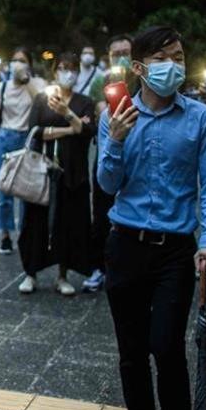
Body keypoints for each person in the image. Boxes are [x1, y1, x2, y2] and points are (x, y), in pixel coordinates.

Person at [97, 25, 206, 410]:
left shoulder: (201, 118)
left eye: (180, 55)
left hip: (175, 251)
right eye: (164, 57)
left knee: (166, 345)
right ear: (139, 67)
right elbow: (108, 185)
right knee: (131, 350)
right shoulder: (116, 113)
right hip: (125, 244)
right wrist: (114, 139)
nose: (175, 64)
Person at [17, 54, 94, 295]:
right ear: (54, 72)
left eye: (71, 69)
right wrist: (70, 128)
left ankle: (63, 274)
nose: (66, 73)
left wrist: (67, 112)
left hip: (72, 174)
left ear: (77, 73)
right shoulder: (42, 99)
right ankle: (31, 272)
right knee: (34, 222)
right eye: (61, 68)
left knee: (68, 223)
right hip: (42, 171)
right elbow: (35, 131)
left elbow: (87, 131)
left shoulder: (85, 102)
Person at [83, 34, 133, 292]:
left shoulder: (144, 82)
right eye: (116, 54)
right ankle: (97, 267)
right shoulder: (101, 81)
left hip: (134, 155)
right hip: (106, 152)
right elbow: (108, 114)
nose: (122, 57)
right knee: (101, 211)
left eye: (126, 52)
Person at [0, 48, 45, 255]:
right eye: (14, 60)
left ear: (29, 64)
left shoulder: (37, 84)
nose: (17, 64)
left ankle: (25, 233)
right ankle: (5, 235)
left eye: (21, 60)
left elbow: (42, 104)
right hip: (4, 137)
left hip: (28, 139)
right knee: (4, 189)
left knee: (27, 190)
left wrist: (26, 80)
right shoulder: (2, 87)